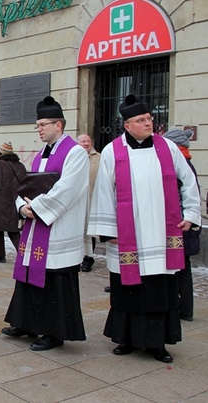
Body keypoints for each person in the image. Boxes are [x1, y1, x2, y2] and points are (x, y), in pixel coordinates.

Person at [87, 95, 201, 363]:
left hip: (162, 233)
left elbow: (189, 181)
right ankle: (126, 338)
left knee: (159, 289)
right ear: (127, 125)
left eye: (149, 118)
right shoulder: (113, 151)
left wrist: (191, 213)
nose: (149, 123)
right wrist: (108, 230)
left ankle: (157, 343)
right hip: (129, 234)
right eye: (141, 120)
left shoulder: (169, 148)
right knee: (129, 288)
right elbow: (103, 191)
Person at [1, 96, 89, 351]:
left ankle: (53, 331)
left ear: (58, 125)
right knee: (29, 276)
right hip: (36, 225)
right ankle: (26, 322)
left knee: (55, 281)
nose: (38, 129)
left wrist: (36, 208)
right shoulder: (40, 154)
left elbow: (67, 190)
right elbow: (27, 187)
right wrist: (21, 206)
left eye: (42, 124)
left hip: (59, 229)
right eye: (37, 125)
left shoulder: (75, 153)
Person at [160, 128, 200, 322]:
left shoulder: (181, 163)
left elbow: (183, 195)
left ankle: (184, 309)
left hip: (181, 225)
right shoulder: (187, 160)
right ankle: (184, 308)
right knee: (183, 269)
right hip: (184, 225)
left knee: (182, 269)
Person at [0, 142, 27, 263]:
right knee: (14, 230)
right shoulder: (20, 166)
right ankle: (24, 253)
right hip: (16, 201)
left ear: (0, 153)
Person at [76, 134, 101, 272]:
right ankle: (78, 256)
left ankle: (88, 258)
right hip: (77, 200)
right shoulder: (73, 156)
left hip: (92, 198)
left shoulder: (99, 157)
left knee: (89, 230)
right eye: (83, 141)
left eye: (88, 141)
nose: (86, 143)